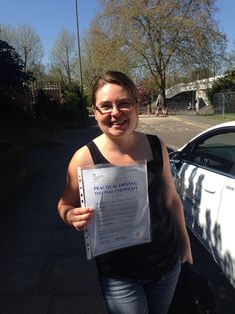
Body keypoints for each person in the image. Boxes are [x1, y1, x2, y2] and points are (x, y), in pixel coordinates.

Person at [57, 71, 193, 314]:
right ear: (95, 111)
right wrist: (70, 215)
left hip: (167, 264)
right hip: (120, 276)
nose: (115, 113)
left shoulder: (155, 145)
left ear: (136, 106)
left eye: (124, 103)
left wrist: (185, 245)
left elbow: (171, 199)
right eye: (106, 106)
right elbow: (64, 204)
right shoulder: (83, 158)